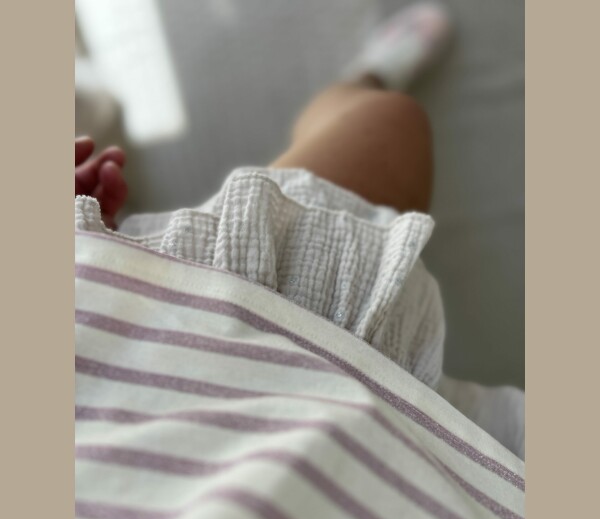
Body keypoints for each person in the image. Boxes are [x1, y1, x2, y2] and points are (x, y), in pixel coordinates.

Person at [75, 2, 524, 460]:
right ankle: (363, 84)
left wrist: (95, 253)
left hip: (167, 347)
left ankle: (367, 80)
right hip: (376, 459)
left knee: (382, 125)